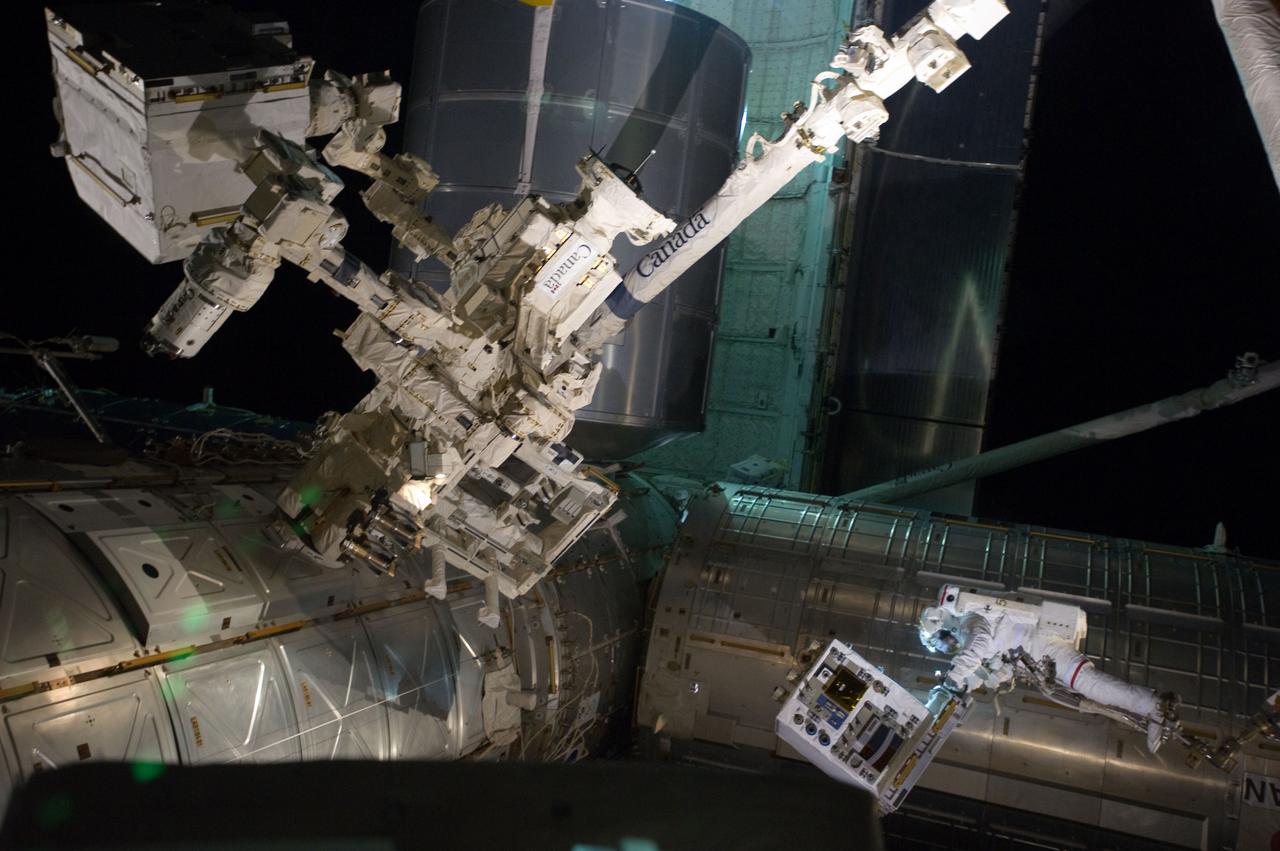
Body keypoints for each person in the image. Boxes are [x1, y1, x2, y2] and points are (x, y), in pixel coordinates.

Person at [918, 604, 1179, 753]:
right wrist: (967, 684)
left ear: (944, 627)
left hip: (1046, 648)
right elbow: (987, 665)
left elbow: (978, 646)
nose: (947, 646)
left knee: (1090, 685)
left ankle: (1154, 706)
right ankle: (1151, 710)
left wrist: (954, 677)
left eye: (942, 641)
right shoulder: (971, 635)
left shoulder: (970, 620)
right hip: (1040, 657)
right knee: (1089, 692)